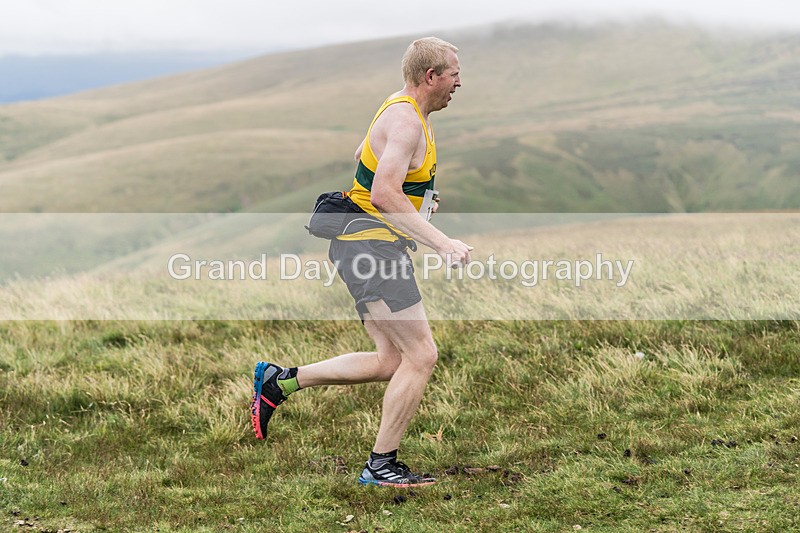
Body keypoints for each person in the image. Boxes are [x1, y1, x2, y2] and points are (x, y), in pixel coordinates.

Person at [251, 37, 471, 487]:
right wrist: (442, 242)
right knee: (422, 355)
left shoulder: (398, 108)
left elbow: (363, 154)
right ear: (430, 77)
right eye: (453, 73)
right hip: (372, 247)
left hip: (361, 244)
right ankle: (381, 465)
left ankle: (280, 381)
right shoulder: (408, 121)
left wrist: (415, 197)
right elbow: (383, 193)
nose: (458, 82)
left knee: (392, 359)